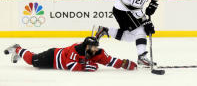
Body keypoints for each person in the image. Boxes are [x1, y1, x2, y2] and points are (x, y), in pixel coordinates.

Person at [94, 0, 162, 67]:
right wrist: (145, 21)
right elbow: (134, 8)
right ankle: (141, 57)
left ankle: (105, 30)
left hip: (126, 9)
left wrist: (154, 4)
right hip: (123, 10)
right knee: (141, 31)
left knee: (131, 37)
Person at [4, 36, 137, 72]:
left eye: (96, 47)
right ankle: (18, 49)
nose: (96, 49)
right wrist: (90, 66)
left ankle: (20, 53)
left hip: (57, 61)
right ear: (87, 46)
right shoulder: (76, 49)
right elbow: (71, 66)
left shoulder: (98, 52)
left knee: (33, 59)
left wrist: (125, 64)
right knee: (33, 61)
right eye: (94, 47)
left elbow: (110, 61)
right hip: (54, 57)